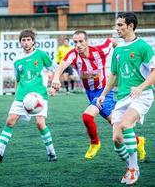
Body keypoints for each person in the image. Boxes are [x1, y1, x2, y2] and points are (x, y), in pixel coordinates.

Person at [51, 30, 146, 161]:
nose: (78, 45)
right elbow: (62, 65)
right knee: (116, 124)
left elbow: (110, 41)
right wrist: (56, 78)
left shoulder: (99, 51)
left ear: (87, 41)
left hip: (103, 92)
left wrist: (117, 47)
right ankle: (138, 141)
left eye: (81, 41)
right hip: (90, 93)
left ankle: (95, 143)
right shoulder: (73, 54)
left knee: (87, 117)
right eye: (75, 42)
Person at [97, 12, 155, 185]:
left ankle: (134, 168)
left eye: (121, 25)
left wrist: (141, 87)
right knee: (117, 139)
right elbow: (114, 75)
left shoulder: (143, 46)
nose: (118, 28)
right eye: (117, 25)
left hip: (142, 95)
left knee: (124, 124)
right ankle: (130, 165)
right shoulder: (118, 50)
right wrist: (102, 95)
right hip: (122, 98)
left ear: (131, 26)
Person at [0, 29, 57, 163]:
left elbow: (55, 69)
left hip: (39, 96)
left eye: (28, 39)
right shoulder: (17, 59)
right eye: (23, 40)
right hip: (21, 96)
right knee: (10, 121)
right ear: (20, 42)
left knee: (40, 124)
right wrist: (16, 94)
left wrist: (54, 87)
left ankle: (51, 153)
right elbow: (18, 79)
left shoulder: (41, 54)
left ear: (33, 41)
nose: (26, 42)